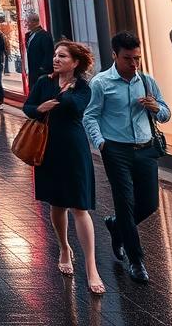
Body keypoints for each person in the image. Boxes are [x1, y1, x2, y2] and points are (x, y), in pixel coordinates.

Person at [84, 31, 171, 285]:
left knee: (150, 204)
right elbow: (91, 115)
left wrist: (157, 109)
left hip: (145, 149)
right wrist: (101, 144)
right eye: (128, 58)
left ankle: (116, 225)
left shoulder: (146, 81)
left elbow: (166, 112)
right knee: (125, 203)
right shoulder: (101, 83)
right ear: (114, 56)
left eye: (137, 58)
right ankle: (136, 261)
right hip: (116, 151)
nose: (134, 64)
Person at [24, 40, 105, 296]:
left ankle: (91, 267)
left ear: (75, 62)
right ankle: (63, 247)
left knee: (80, 206)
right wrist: (39, 108)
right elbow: (27, 107)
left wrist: (64, 92)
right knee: (56, 204)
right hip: (47, 148)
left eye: (62, 56)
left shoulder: (83, 86)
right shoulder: (43, 82)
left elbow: (76, 106)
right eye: (55, 56)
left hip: (74, 149)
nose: (56, 59)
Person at [25, 13, 55, 89]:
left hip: (40, 73)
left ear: (34, 22)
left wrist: (43, 69)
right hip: (32, 72)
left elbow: (49, 53)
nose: (26, 24)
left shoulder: (44, 36)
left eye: (28, 22)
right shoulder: (29, 35)